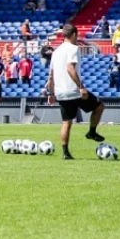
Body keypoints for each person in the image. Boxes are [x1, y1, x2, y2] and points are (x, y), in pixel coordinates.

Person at [46, 24, 106, 160]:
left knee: (66, 122)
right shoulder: (73, 48)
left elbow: (50, 76)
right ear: (73, 35)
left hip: (61, 92)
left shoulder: (56, 52)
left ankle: (65, 153)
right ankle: (92, 132)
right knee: (99, 106)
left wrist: (51, 94)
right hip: (74, 91)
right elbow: (70, 68)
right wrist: (81, 87)